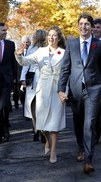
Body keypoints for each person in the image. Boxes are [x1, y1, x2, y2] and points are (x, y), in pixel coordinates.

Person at [58, 13, 101, 174]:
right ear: (78, 26)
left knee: (89, 124)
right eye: (81, 24)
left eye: (87, 24)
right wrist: (61, 89)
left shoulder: (98, 45)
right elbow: (65, 68)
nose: (83, 27)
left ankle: (88, 159)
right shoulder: (71, 44)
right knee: (78, 122)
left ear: (92, 27)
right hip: (75, 90)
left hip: (93, 89)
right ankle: (81, 147)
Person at [15, 26, 66, 164]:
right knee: (40, 124)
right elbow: (25, 62)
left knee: (54, 123)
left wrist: (65, 91)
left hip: (57, 90)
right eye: (49, 35)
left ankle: (54, 151)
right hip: (42, 90)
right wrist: (19, 55)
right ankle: (47, 140)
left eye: (54, 35)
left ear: (59, 38)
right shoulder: (40, 52)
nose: (51, 37)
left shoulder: (64, 53)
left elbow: (67, 73)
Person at [19, 30, 46, 142]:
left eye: (34, 36)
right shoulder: (31, 49)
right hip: (32, 80)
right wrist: (23, 79)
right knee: (32, 105)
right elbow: (25, 64)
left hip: (44, 80)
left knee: (43, 106)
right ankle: (36, 129)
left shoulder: (47, 49)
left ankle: (43, 130)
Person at [13, 35, 31, 110]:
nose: (26, 44)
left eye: (27, 42)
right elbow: (14, 65)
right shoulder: (17, 52)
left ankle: (26, 111)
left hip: (29, 78)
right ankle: (20, 104)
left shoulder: (32, 52)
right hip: (18, 77)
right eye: (24, 42)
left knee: (27, 95)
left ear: (30, 43)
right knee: (20, 94)